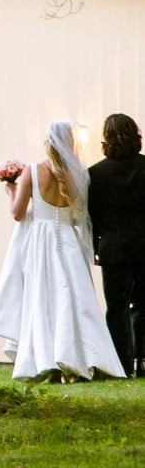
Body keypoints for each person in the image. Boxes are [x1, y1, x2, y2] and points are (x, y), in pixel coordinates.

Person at [0, 122, 125, 381]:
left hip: (40, 241)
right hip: (67, 239)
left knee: (43, 298)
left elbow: (18, 214)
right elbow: (77, 219)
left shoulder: (32, 171)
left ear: (47, 142)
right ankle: (82, 358)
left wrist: (11, 191)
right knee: (74, 299)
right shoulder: (79, 175)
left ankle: (46, 358)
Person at [90, 113, 145, 377]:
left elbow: (93, 216)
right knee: (143, 306)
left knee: (117, 310)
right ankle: (143, 363)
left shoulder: (95, 174)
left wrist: (94, 246)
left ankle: (121, 365)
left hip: (112, 250)